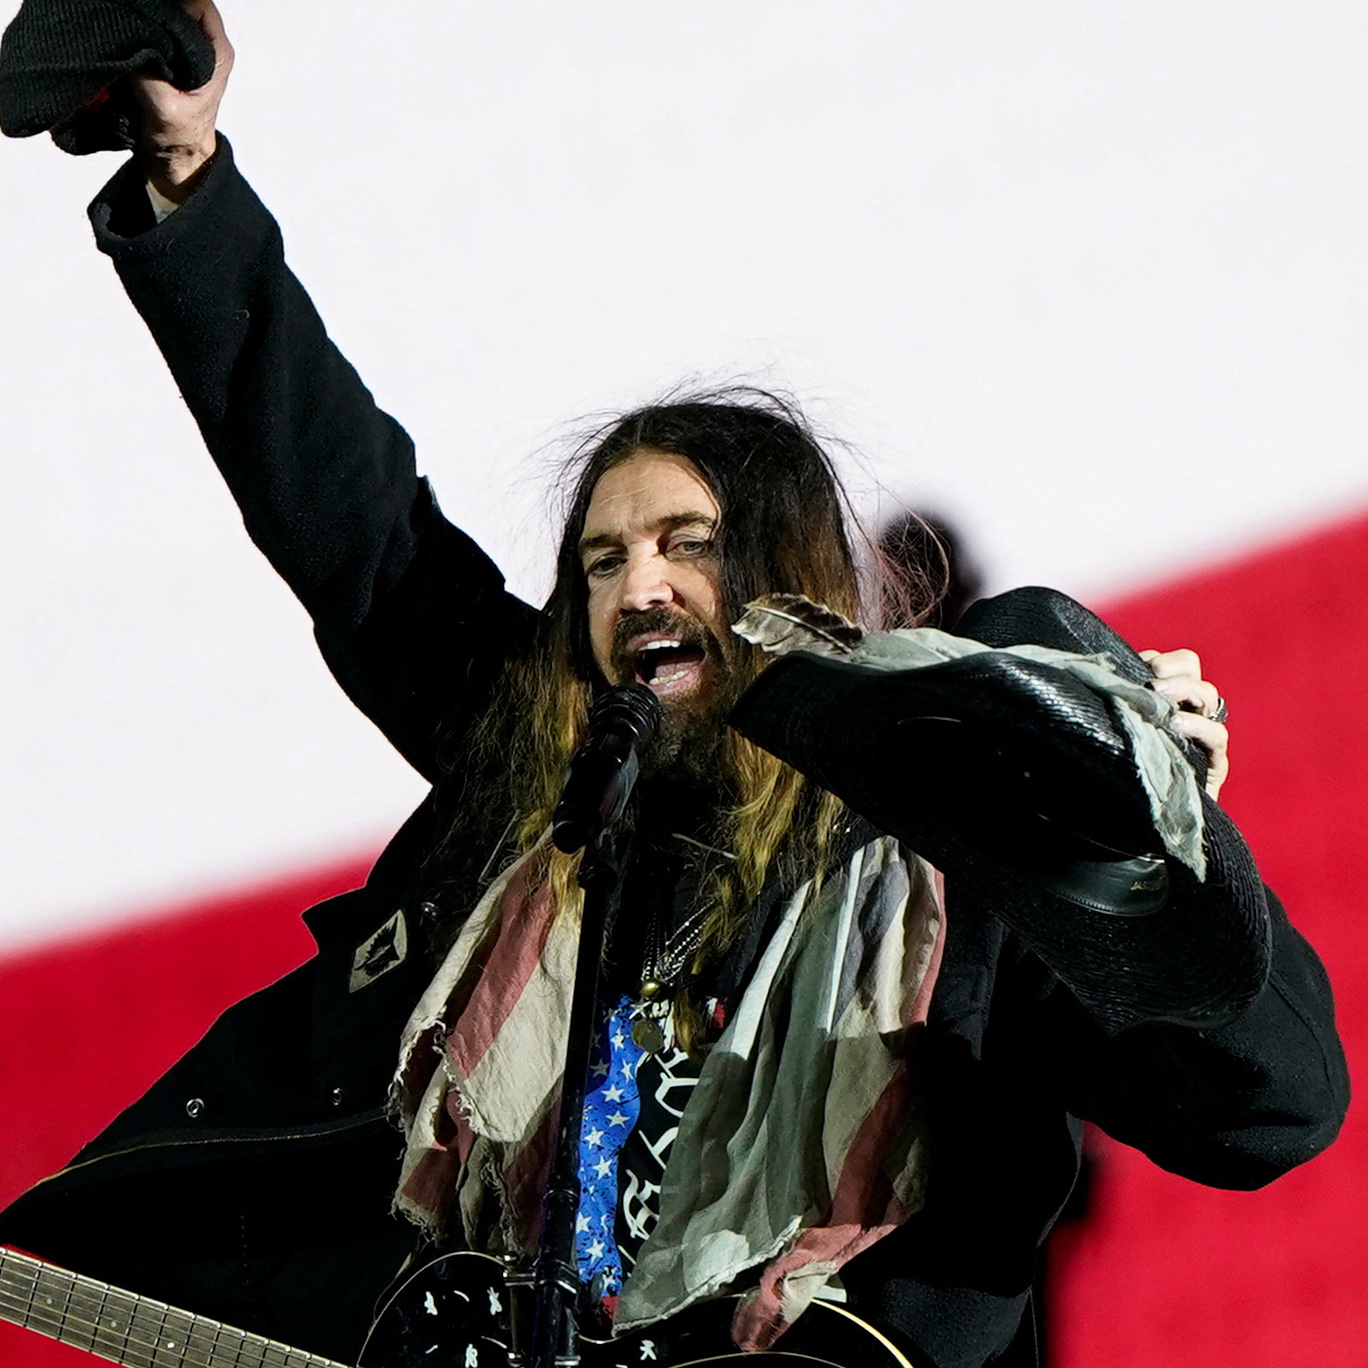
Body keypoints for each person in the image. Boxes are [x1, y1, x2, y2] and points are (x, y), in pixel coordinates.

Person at [0, 7, 1348, 1368]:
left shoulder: (962, 861)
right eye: (601, 560)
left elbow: (1272, 1114)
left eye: (686, 545)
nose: (636, 585)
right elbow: (360, 532)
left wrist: (1157, 864)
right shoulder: (544, 771)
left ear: (786, 575)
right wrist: (188, 178)